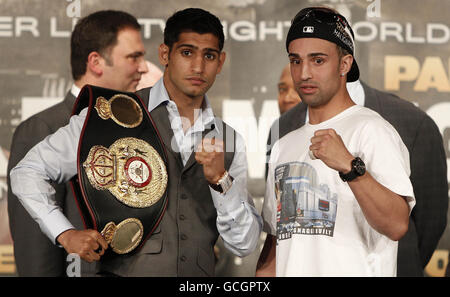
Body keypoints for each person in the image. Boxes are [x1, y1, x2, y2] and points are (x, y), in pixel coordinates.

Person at [10, 7, 262, 277]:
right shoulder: (110, 115)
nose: (198, 67)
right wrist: (64, 232)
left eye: (209, 56)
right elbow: (27, 172)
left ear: (220, 62)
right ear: (165, 54)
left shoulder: (229, 139)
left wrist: (221, 181)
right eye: (187, 52)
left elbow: (243, 244)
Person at [258, 13, 448, 279]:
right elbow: (277, 242)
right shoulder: (283, 144)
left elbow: (396, 225)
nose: (304, 73)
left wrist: (350, 167)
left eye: (318, 60)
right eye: (295, 61)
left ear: (345, 63)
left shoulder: (373, 130)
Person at [6, 10, 148, 276]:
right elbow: (34, 249)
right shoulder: (42, 128)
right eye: (133, 57)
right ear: (96, 62)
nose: (143, 67)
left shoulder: (135, 129)